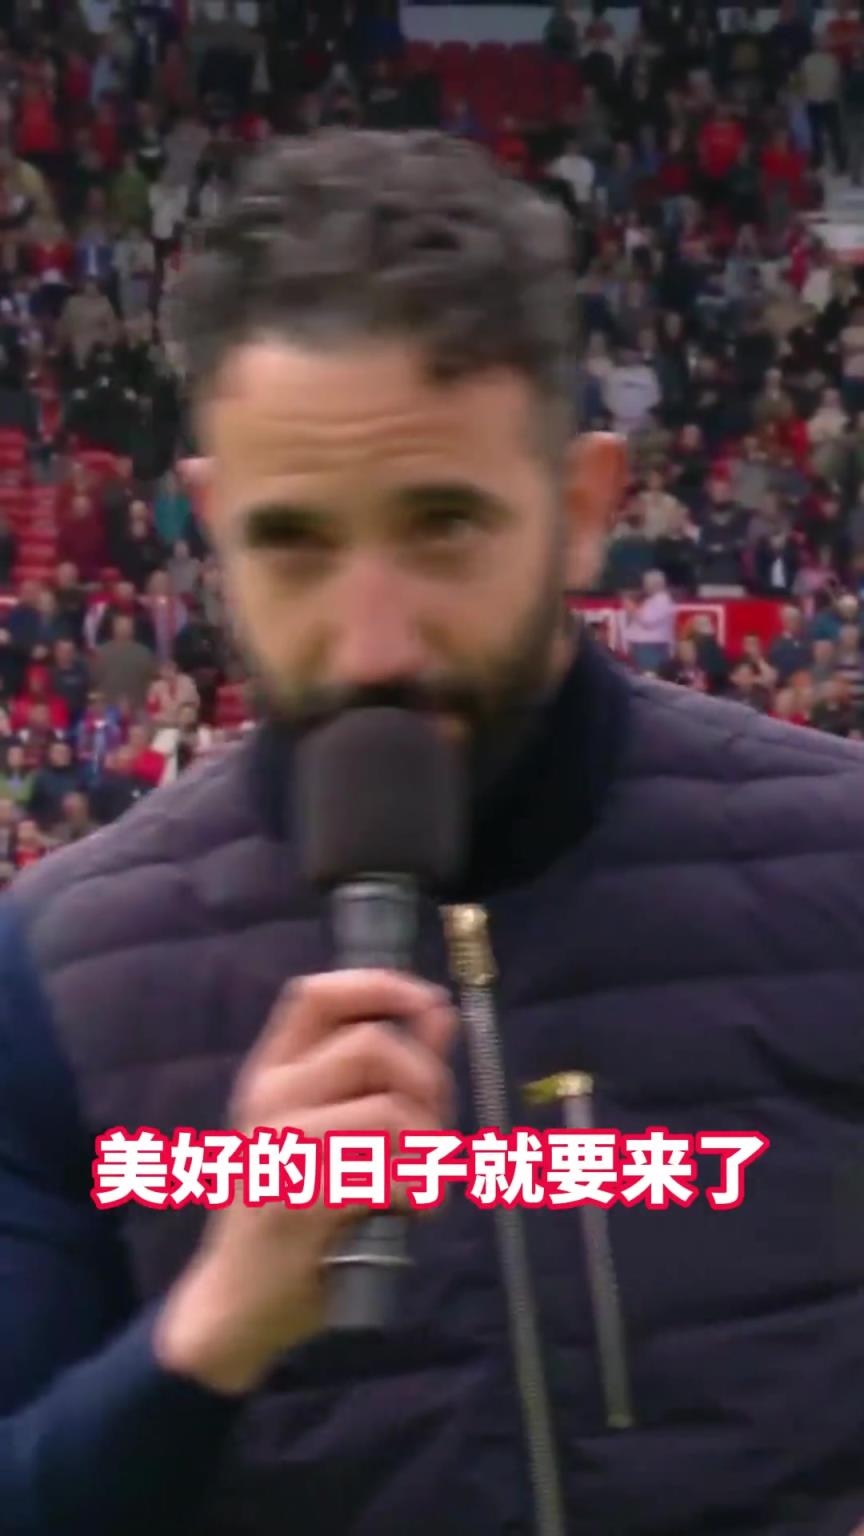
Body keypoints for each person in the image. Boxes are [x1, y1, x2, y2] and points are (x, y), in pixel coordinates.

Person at [0, 130, 863, 1536]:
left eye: (444, 524)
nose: (373, 643)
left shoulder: (840, 862)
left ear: (582, 510)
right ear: (210, 523)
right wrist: (209, 1333)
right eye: (294, 541)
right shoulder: (54, 973)